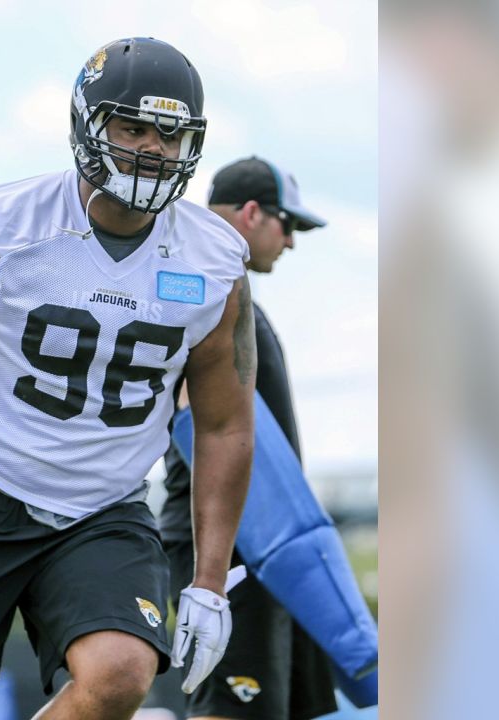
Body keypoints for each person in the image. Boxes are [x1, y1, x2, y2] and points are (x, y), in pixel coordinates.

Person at [0, 38, 257, 720]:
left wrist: (210, 583)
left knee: (122, 673)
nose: (151, 148)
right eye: (131, 127)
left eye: (170, 133)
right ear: (87, 125)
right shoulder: (3, 230)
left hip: (104, 509)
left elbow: (224, 422)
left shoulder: (215, 263)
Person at [160, 156, 339, 720]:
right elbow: (193, 424)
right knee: (233, 709)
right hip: (229, 544)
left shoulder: (226, 297)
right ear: (254, 213)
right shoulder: (191, 292)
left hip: (271, 542)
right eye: (289, 226)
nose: (290, 243)